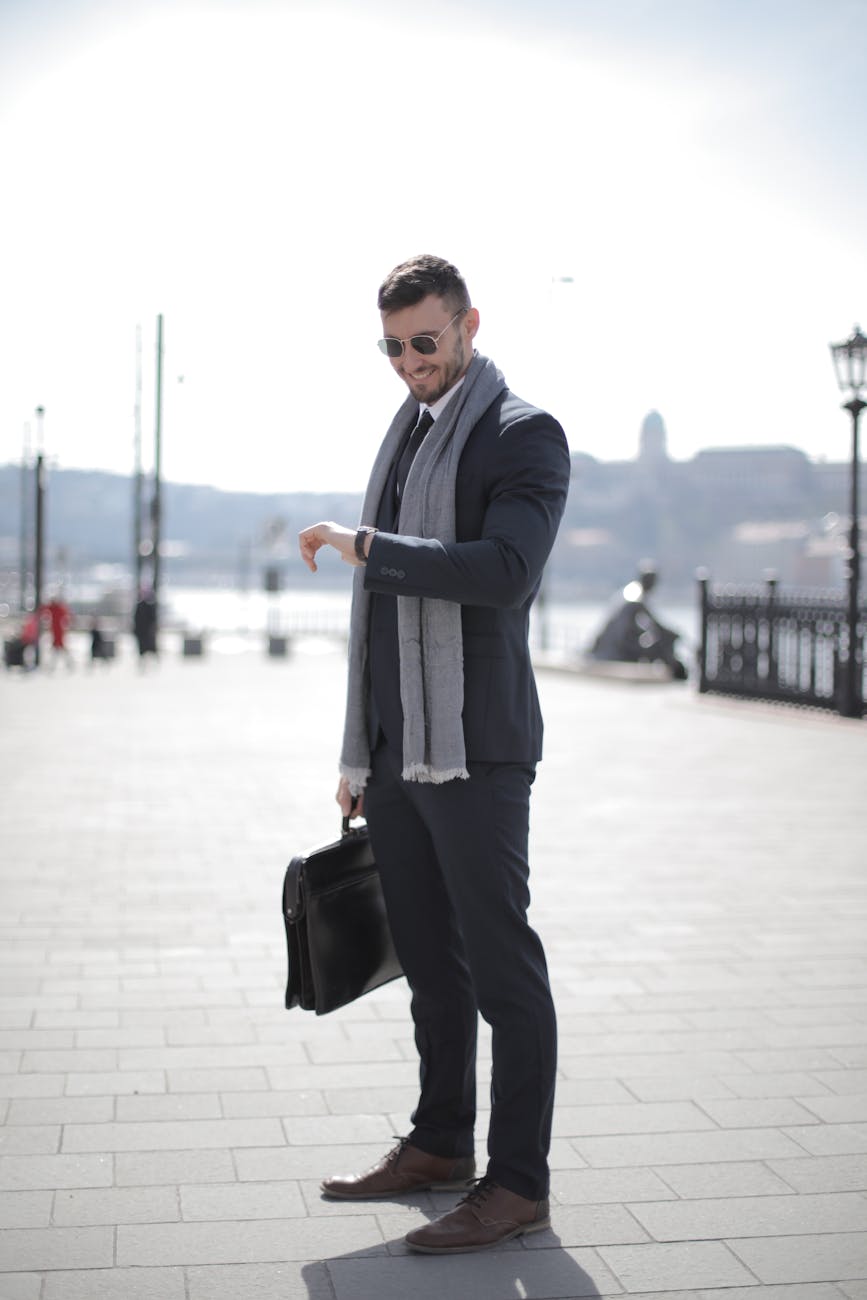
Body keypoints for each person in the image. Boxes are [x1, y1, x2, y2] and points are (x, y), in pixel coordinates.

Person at [299, 254, 570, 1254]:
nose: (410, 360)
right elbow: (382, 621)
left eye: (426, 339)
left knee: (506, 971)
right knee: (432, 966)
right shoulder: (408, 434)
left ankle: (518, 1184)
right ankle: (439, 1142)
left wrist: (368, 543)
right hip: (399, 751)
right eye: (394, 346)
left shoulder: (520, 434)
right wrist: (358, 750)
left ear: (467, 325)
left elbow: (505, 573)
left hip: (481, 749)